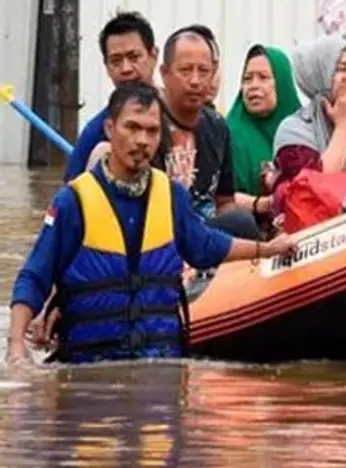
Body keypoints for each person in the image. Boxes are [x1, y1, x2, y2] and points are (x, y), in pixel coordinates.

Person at [6, 81, 297, 368]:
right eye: (132, 127)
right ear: (109, 129)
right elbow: (35, 275)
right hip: (89, 367)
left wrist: (267, 249)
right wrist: (16, 345)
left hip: (160, 365)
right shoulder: (72, 202)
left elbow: (206, 245)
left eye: (152, 130)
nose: (142, 140)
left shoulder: (172, 197)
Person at [157, 28, 260, 240]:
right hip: (160, 237)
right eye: (185, 70)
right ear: (164, 73)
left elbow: (225, 202)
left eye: (203, 71)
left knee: (242, 223)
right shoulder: (148, 124)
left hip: (207, 237)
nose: (195, 81)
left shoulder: (217, 126)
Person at [273, 35, 346, 183]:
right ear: (320, 76)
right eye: (341, 69)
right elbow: (314, 187)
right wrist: (343, 125)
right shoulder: (295, 130)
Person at [64, 11, 159, 181]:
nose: (126, 69)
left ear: (153, 56)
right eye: (116, 61)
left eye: (134, 57)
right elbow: (68, 195)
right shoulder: (95, 133)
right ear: (107, 67)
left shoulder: (181, 114)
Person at [225, 44, 303, 218]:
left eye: (263, 77)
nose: (253, 86)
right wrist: (261, 204)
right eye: (247, 79)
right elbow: (219, 199)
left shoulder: (303, 131)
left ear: (282, 83)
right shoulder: (229, 134)